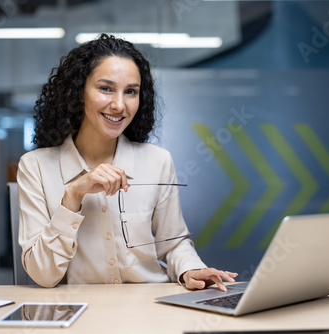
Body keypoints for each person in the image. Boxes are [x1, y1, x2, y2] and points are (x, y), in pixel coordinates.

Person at [17, 34, 237, 290]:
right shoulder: (35, 167)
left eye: (130, 92)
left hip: (149, 309)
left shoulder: (158, 161)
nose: (119, 105)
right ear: (78, 92)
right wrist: (73, 196)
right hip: (79, 314)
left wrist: (191, 269)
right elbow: (43, 275)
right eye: (106, 88)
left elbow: (173, 243)